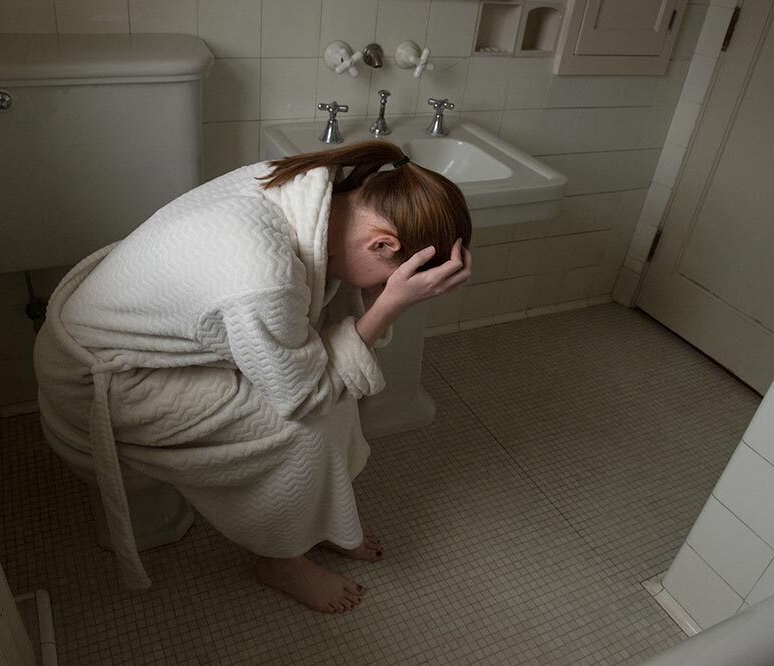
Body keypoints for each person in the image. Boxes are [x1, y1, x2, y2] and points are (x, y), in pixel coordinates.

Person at [33, 140, 472, 613]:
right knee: (304, 426)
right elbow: (304, 396)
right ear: (382, 243)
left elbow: (325, 361)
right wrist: (389, 306)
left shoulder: (308, 187)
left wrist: (383, 298)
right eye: (385, 279)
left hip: (132, 338)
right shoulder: (265, 279)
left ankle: (324, 520)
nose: (375, 290)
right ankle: (280, 560)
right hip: (106, 380)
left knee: (337, 385)